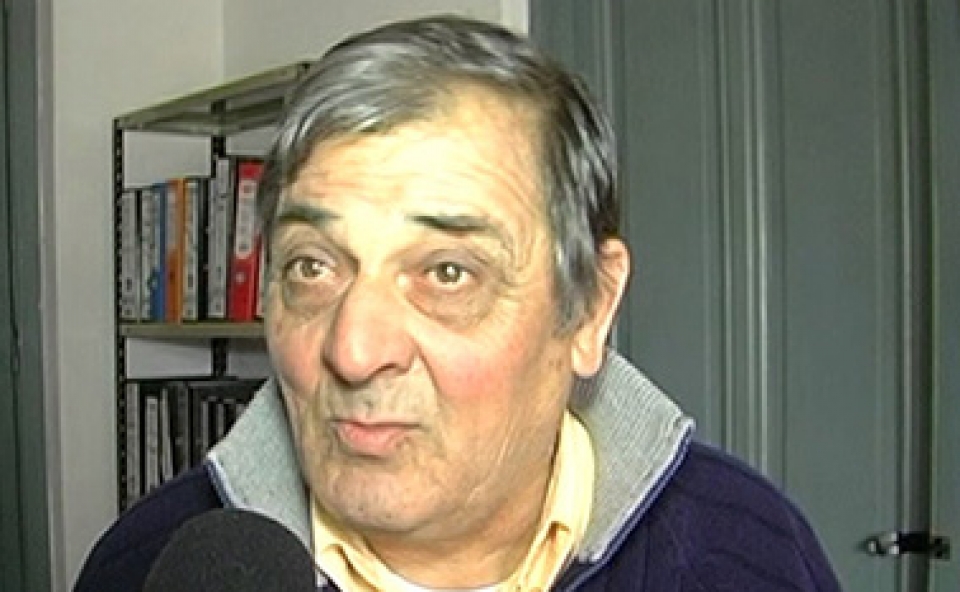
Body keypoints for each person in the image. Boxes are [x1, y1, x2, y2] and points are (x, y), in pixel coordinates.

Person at [75, 15, 841, 592]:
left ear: (590, 307)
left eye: (447, 272)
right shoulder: (143, 564)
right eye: (312, 266)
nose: (353, 349)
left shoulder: (751, 560)